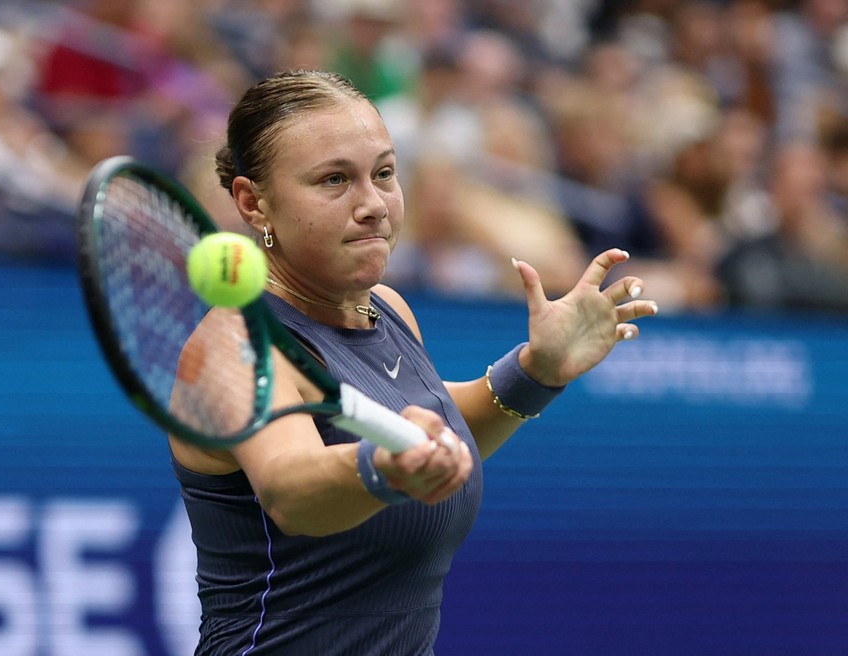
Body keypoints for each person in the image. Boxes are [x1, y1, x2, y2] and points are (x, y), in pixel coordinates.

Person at [169, 69, 659, 656]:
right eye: (333, 180)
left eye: (383, 174)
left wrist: (535, 372)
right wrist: (381, 468)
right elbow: (290, 489)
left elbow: (438, 427)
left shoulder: (388, 310)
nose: (373, 205)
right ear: (254, 202)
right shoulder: (235, 340)